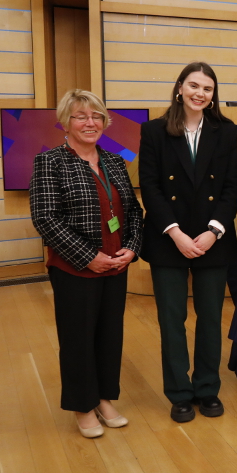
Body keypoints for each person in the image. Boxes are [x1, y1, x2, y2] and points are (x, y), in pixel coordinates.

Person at [30, 89, 143, 438]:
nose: (90, 123)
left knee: (110, 335)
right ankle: (82, 405)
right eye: (81, 116)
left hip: (116, 265)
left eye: (96, 116)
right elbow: (46, 219)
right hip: (75, 269)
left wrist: (131, 250)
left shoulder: (114, 161)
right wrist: (88, 257)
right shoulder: (50, 162)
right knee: (78, 337)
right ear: (66, 121)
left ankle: (105, 397)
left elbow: (134, 213)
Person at [139, 62, 237, 423]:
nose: (200, 93)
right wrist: (176, 233)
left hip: (212, 239)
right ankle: (179, 393)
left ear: (214, 95)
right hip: (169, 239)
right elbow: (149, 186)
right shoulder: (153, 131)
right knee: (171, 319)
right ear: (180, 87)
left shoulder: (227, 132)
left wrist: (213, 231)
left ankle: (207, 388)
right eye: (194, 86)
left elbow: (231, 187)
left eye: (208, 89)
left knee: (211, 318)